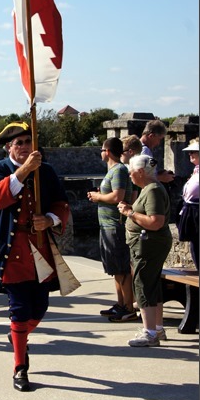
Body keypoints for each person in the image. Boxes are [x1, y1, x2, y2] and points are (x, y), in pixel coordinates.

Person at [0, 122, 70, 392]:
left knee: (40, 307)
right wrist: (26, 169)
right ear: (9, 147)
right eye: (19, 144)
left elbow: (61, 204)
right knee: (18, 308)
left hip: (39, 247)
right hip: (11, 249)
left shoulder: (47, 171)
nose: (25, 148)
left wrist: (49, 220)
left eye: (29, 143)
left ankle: (18, 336)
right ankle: (20, 367)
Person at [118, 154, 173, 347]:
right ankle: (156, 328)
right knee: (152, 284)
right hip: (149, 243)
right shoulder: (151, 189)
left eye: (132, 172)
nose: (130, 176)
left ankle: (150, 332)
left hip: (148, 243)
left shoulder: (152, 190)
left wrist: (129, 213)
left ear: (140, 172)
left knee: (142, 284)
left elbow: (155, 222)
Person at [88, 137, 137, 322]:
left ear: (107, 151)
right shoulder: (115, 170)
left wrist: (97, 196)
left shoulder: (118, 170)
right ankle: (120, 304)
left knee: (122, 268)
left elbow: (118, 196)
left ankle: (128, 307)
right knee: (115, 268)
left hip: (115, 225)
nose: (101, 152)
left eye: (102, 149)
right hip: (108, 225)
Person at [177, 139, 199, 270]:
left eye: (194, 151)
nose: (190, 154)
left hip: (197, 211)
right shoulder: (196, 170)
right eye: (190, 151)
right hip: (191, 212)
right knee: (195, 247)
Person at [140, 119, 175, 185]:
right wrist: (161, 177)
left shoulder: (139, 147)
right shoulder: (145, 151)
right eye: (159, 139)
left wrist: (158, 173)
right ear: (151, 136)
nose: (158, 143)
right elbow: (140, 175)